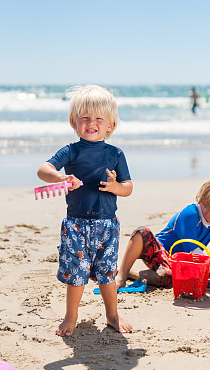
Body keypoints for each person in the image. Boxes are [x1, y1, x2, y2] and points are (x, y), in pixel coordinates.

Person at [37, 85, 133, 336]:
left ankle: (112, 315)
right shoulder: (71, 151)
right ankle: (71, 316)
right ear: (74, 122)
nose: (92, 123)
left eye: (99, 119)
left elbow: (128, 187)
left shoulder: (115, 154)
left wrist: (114, 186)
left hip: (107, 225)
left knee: (107, 273)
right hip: (76, 225)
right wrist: (60, 176)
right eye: (85, 118)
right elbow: (42, 170)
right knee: (76, 274)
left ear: (110, 125)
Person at [116, 177, 210, 289]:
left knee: (168, 277)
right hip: (158, 251)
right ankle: (122, 274)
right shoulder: (190, 214)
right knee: (142, 232)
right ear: (204, 202)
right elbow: (192, 248)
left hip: (180, 262)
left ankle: (139, 274)